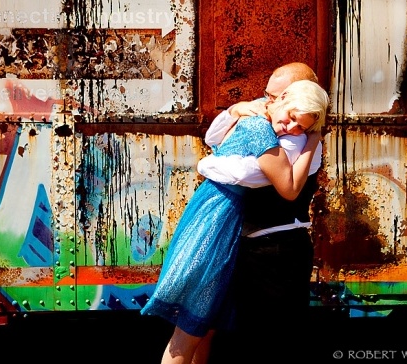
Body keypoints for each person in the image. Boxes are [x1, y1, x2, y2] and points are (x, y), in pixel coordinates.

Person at [141, 79, 329, 364]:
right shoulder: (260, 129)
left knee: (203, 324)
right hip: (216, 222)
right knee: (190, 327)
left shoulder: (260, 122)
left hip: (220, 216)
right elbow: (288, 187)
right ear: (282, 98)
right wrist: (312, 141)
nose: (291, 128)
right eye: (291, 117)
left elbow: (220, 146)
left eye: (301, 127)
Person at [199, 62, 324, 363]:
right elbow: (214, 137)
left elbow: (249, 173)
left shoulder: (295, 140)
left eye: (275, 96)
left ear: (294, 97)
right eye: (267, 95)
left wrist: (205, 165)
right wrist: (234, 111)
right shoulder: (274, 117)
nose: (266, 102)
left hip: (277, 251)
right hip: (260, 249)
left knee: (268, 337)